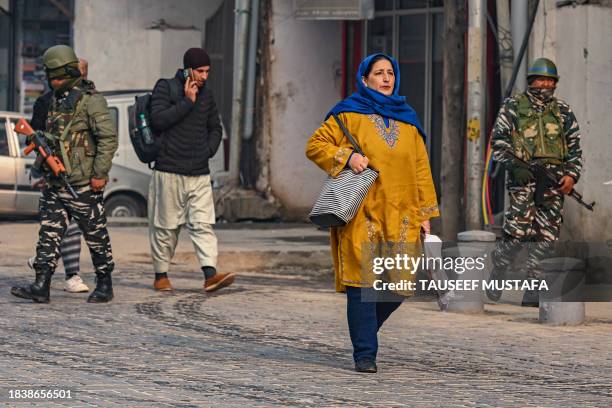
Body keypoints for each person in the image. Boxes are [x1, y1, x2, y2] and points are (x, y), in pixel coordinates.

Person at [306, 53, 439, 373]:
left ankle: (364, 332)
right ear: (364, 79)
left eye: (390, 72)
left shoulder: (408, 120)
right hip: (362, 213)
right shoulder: (347, 115)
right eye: (378, 73)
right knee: (363, 284)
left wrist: (426, 213)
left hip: (402, 214)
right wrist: (347, 156)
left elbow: (421, 168)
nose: (386, 78)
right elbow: (315, 145)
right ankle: (365, 353)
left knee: (398, 287)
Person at [10, 45, 118, 303]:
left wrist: (99, 174)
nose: (52, 81)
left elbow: (108, 139)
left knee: (96, 235)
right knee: (48, 234)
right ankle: (41, 285)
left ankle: (105, 285)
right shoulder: (54, 100)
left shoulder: (91, 101)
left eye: (55, 76)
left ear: (67, 73)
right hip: (55, 182)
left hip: (82, 184)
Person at [487, 58, 583, 307]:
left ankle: (533, 289)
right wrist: (515, 166)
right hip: (523, 181)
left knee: (545, 237)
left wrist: (571, 175)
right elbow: (498, 142)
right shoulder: (513, 107)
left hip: (552, 182)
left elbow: (574, 148)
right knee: (517, 235)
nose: (545, 84)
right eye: (540, 80)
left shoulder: (563, 112)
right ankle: (497, 268)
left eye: (550, 80)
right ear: (531, 82)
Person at [148, 47, 234, 293]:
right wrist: (187, 102)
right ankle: (161, 275)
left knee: (202, 223)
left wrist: (208, 149)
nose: (204, 76)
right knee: (166, 227)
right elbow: (158, 121)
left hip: (199, 171)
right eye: (200, 71)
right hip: (169, 170)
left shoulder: (208, 94)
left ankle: (210, 275)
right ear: (188, 69)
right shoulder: (165, 87)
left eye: (208, 71)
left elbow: (215, 127)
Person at [27, 58, 92, 294]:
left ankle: (43, 262)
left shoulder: (90, 102)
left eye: (82, 73)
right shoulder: (46, 101)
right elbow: (34, 137)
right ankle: (69, 275)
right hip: (54, 174)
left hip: (80, 174)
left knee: (71, 226)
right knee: (61, 225)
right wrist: (44, 167)